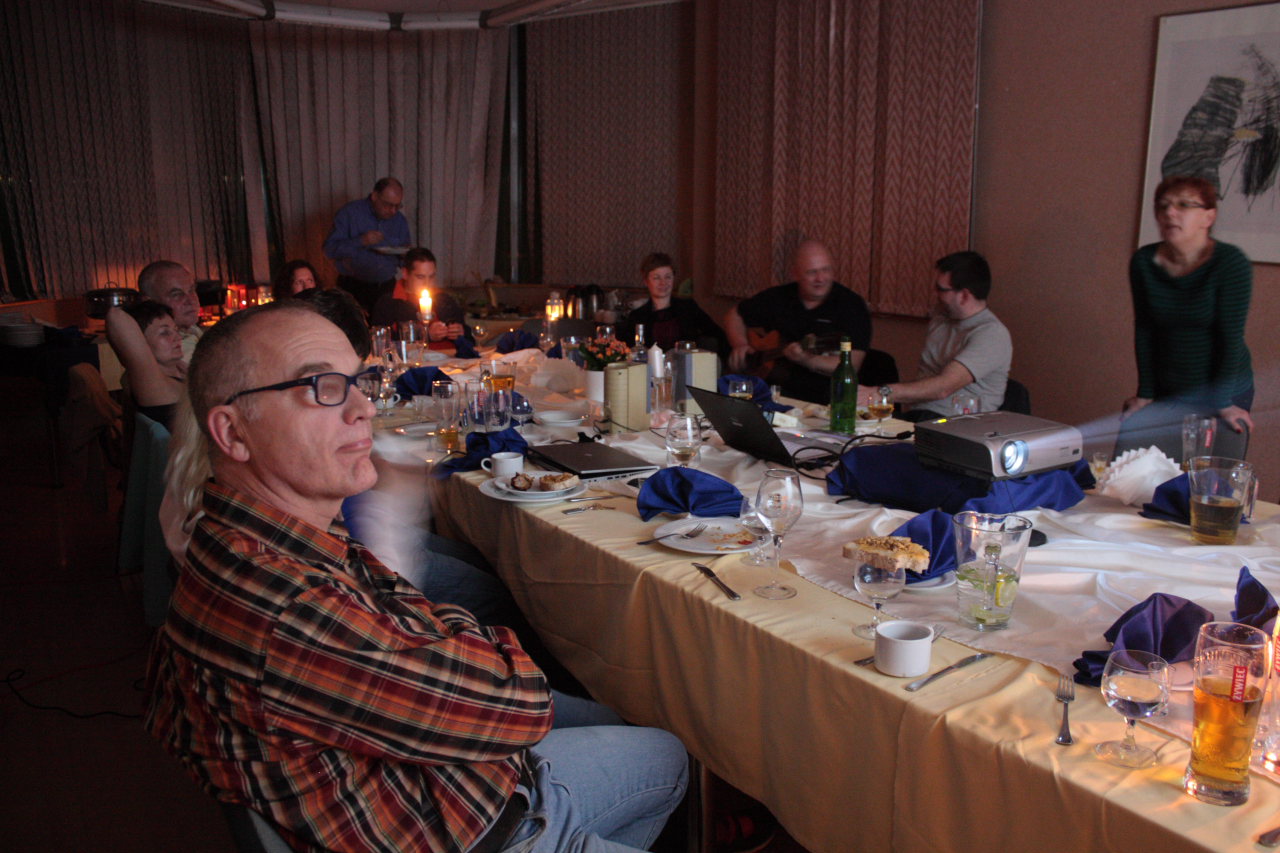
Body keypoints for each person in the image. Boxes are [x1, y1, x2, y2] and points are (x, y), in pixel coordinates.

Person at [145, 301, 686, 853]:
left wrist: (437, 636)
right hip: (475, 829)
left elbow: (407, 607)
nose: (363, 408)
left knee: (666, 756)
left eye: (356, 382)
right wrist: (456, 640)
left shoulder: (260, 535)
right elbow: (519, 705)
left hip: (448, 781)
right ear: (233, 432)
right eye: (320, 388)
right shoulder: (286, 606)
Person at [1119, 175, 1254, 448]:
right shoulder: (1144, 262)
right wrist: (1145, 392)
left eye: (1183, 204)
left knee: (1204, 467)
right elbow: (1144, 329)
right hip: (1169, 386)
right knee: (1156, 464)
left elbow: (1230, 337)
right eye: (1163, 206)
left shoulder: (1230, 263)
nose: (1169, 213)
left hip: (1224, 386)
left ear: (1208, 217)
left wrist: (1222, 402)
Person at [859, 251, 1010, 421]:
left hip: (954, 423)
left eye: (941, 290)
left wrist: (881, 393)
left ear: (964, 295)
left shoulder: (991, 334)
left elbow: (943, 388)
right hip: (921, 417)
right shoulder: (942, 315)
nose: (935, 294)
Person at [723, 240, 872, 403]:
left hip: (823, 398)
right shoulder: (778, 297)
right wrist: (740, 344)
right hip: (771, 390)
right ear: (795, 274)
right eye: (812, 272)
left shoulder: (851, 306)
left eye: (826, 270)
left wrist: (807, 360)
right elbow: (734, 315)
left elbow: (851, 365)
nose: (820, 278)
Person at [323, 177, 412, 314]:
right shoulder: (349, 213)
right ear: (374, 196)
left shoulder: (399, 221)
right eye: (388, 205)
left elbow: (406, 256)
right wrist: (361, 241)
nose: (393, 211)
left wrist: (405, 254)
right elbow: (330, 250)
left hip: (386, 287)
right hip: (353, 287)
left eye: (397, 206)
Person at [618, 253, 724, 351]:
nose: (663, 283)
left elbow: (717, 335)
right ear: (646, 281)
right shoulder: (637, 317)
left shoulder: (688, 308)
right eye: (656, 278)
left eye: (668, 277)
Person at [105, 301, 185, 430]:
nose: (178, 337)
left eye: (176, 330)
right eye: (164, 332)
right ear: (140, 342)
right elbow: (115, 316)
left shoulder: (182, 371)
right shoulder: (154, 386)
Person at [371, 247, 473, 345]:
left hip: (450, 355)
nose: (427, 283)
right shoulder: (388, 303)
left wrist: (461, 332)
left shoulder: (444, 300)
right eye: (420, 277)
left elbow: (470, 338)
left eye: (431, 277)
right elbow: (381, 341)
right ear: (405, 273)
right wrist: (425, 335)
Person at [136, 260, 203, 362]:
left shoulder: (193, 331)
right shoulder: (166, 352)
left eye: (191, 290)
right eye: (176, 294)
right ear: (150, 302)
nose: (191, 300)